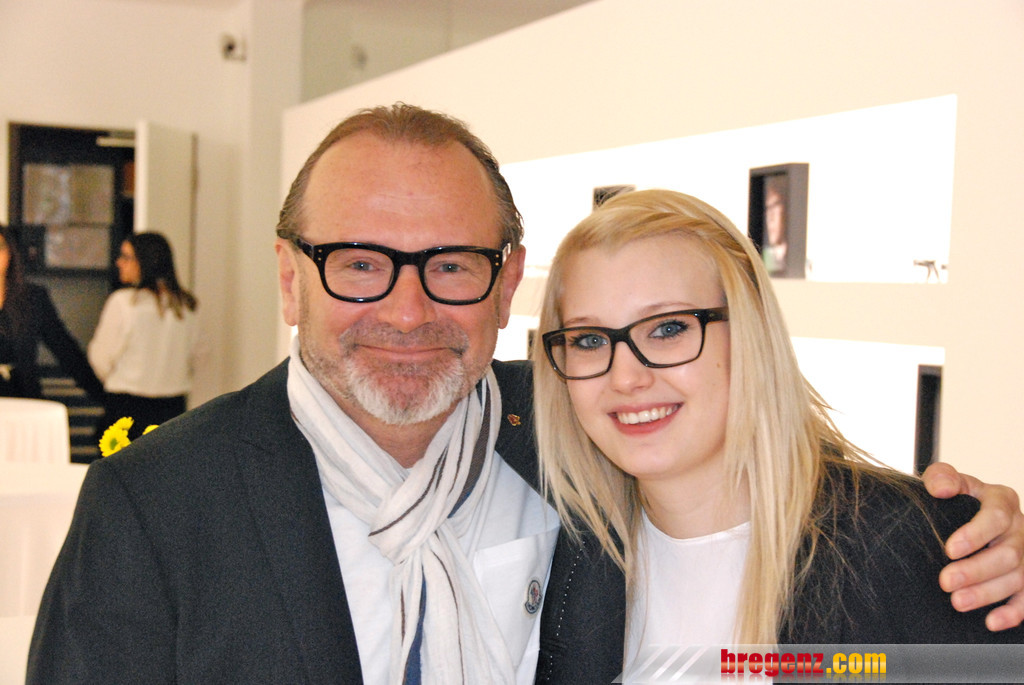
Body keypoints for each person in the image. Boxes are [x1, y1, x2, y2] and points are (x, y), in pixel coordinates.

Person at [26, 105, 1024, 684]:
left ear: (505, 287)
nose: (408, 310)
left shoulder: (562, 443)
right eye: (359, 263)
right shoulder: (153, 506)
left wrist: (977, 534)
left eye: (451, 265)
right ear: (290, 279)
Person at [532, 189, 1023, 681]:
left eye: (667, 329)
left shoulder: (921, 550)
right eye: (588, 340)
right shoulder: (562, 555)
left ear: (750, 334)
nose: (625, 377)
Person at [87, 231, 199, 435]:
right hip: (173, 408)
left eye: (126, 257)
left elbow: (100, 357)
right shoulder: (186, 305)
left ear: (146, 262)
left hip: (127, 407)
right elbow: (200, 356)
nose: (119, 262)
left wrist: (121, 377)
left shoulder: (124, 302)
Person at [0, 223, 105, 403]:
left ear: (10, 253)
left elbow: (64, 348)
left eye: (0, 248)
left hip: (23, 398)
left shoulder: (32, 298)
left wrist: (102, 395)